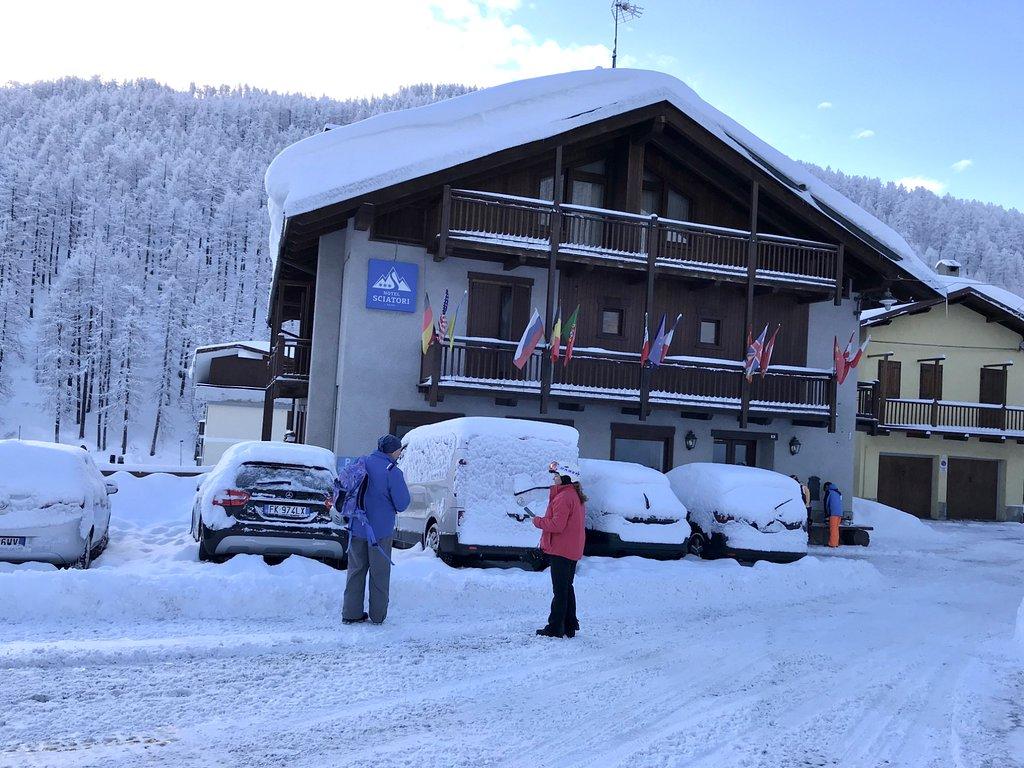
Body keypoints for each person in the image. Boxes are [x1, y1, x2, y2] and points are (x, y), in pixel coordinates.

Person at [342, 434, 410, 625]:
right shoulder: (392, 472)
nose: (400, 453)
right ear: (393, 451)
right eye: (399, 450)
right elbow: (403, 503)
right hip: (380, 531)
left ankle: (350, 612)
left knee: (355, 571)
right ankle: (378, 615)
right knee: (379, 573)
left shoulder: (362, 462)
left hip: (356, 527)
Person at [532, 460, 586, 639]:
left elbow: (557, 525)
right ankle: (570, 625)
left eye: (556, 476)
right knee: (567, 587)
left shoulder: (563, 497)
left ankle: (555, 627)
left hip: (561, 550)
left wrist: (537, 521)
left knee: (560, 590)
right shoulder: (574, 495)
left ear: (564, 478)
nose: (553, 479)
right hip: (572, 549)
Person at [822, 481, 843, 548]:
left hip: (833, 513)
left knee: (833, 529)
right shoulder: (838, 493)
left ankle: (832, 544)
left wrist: (826, 515)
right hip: (839, 513)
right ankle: (836, 543)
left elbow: (826, 504)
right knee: (836, 528)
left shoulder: (829, 492)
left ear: (827, 487)